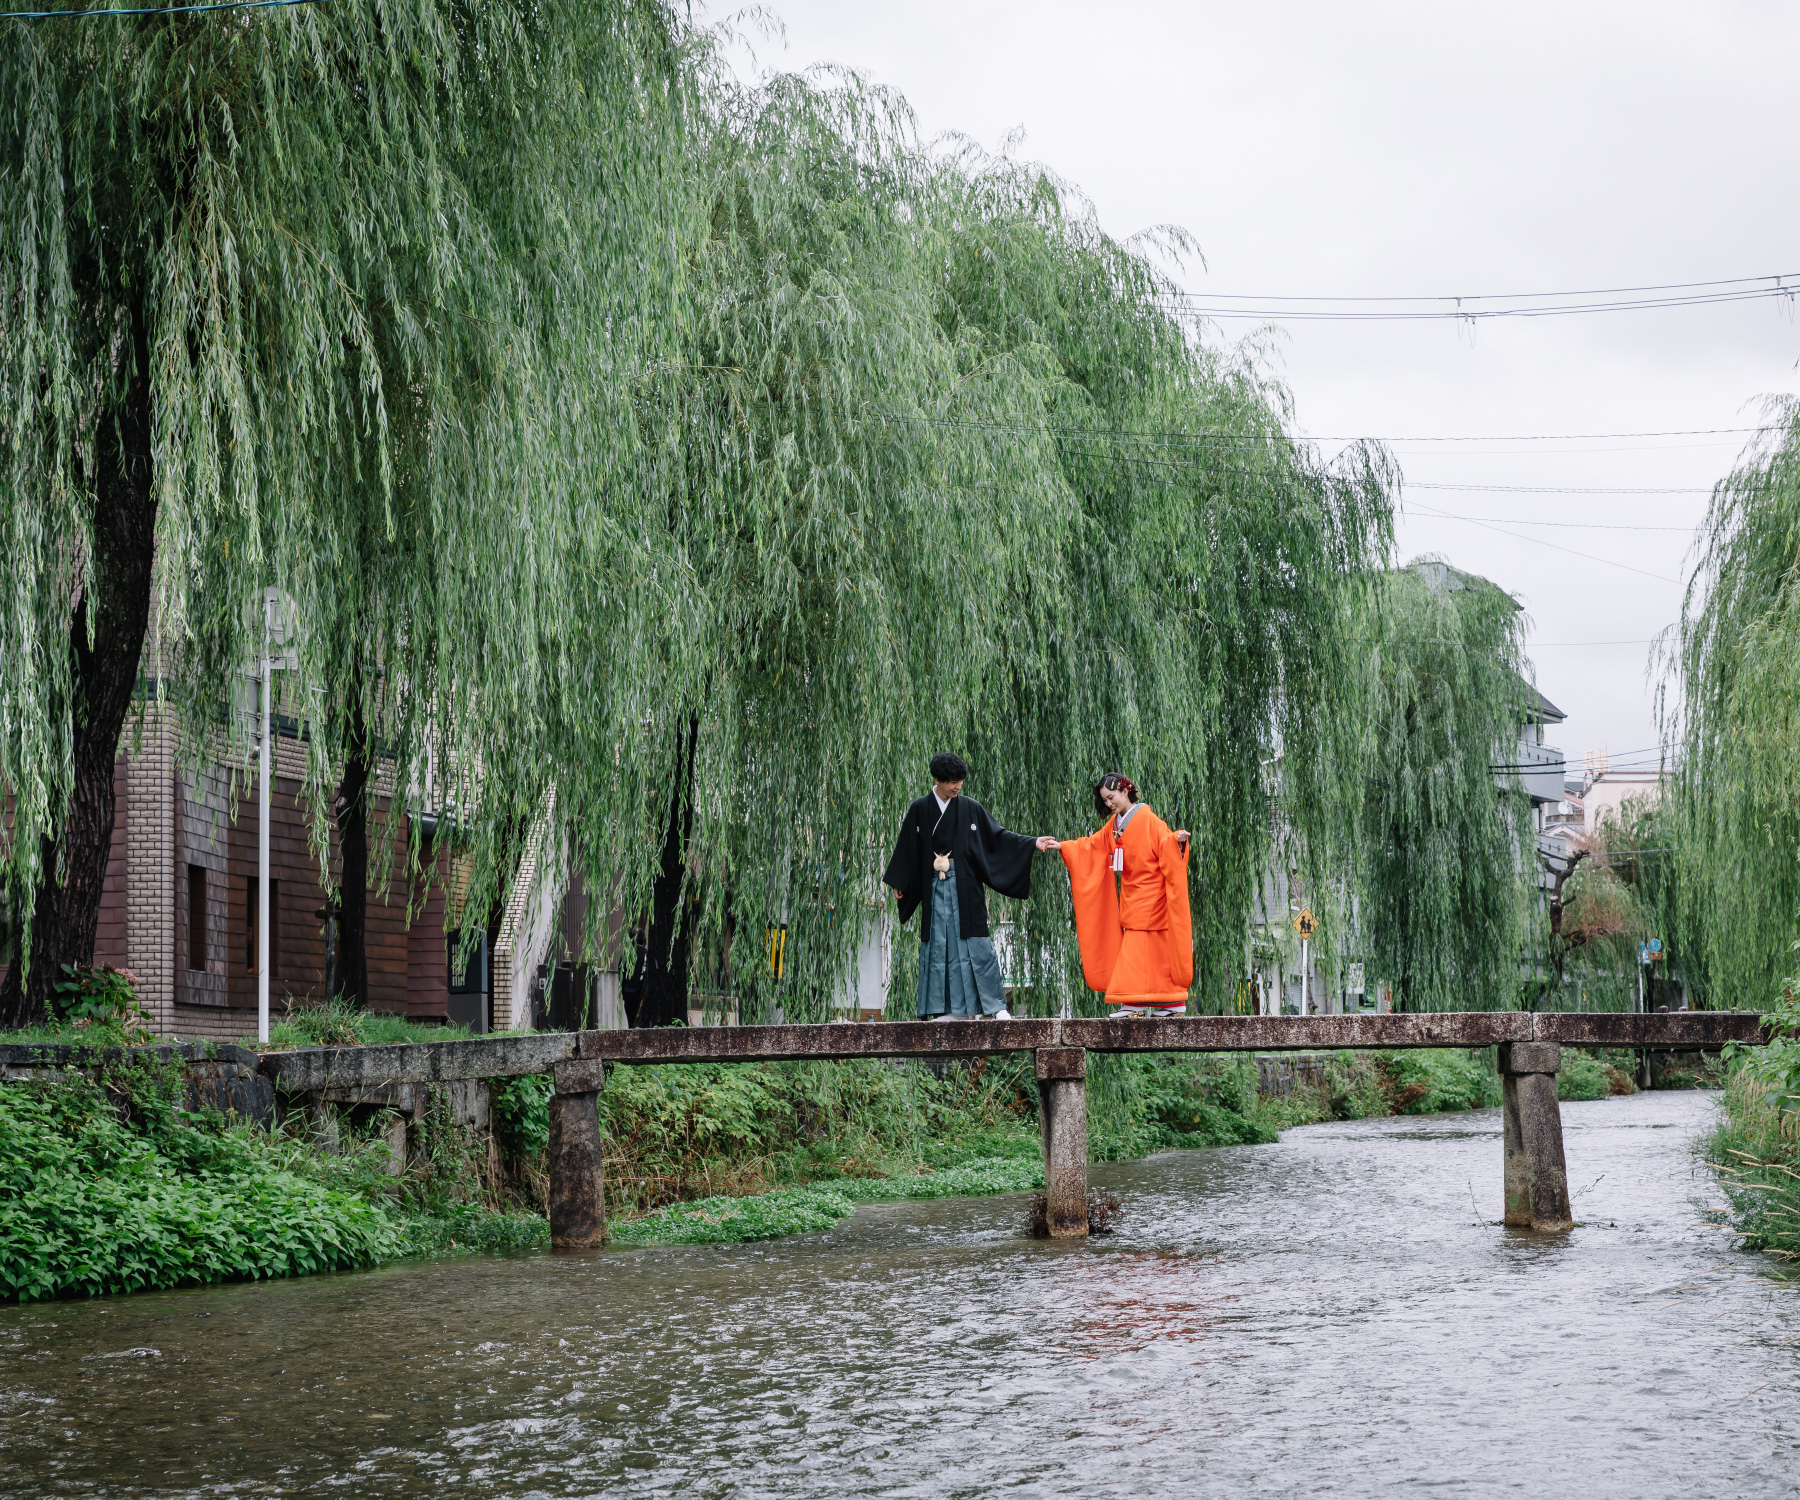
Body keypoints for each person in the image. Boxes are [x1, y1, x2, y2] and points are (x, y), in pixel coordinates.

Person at [883, 752, 1056, 1021]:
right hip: (934, 888)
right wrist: (900, 880)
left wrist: (1031, 842)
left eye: (960, 781)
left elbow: (996, 837)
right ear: (937, 779)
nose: (958, 786)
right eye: (953, 781)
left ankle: (996, 1006)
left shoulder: (969, 807)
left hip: (966, 886)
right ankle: (946, 1009)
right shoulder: (920, 808)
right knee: (940, 947)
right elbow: (908, 846)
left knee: (977, 945)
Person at [1040, 773, 1193, 1017]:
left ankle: (1135, 1004)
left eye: (1111, 797)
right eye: (1105, 800)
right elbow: (1092, 846)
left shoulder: (1149, 820)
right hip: (1132, 893)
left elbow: (1166, 844)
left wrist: (1178, 841)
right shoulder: (1114, 825)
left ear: (1125, 791)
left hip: (1152, 895)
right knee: (1153, 955)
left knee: (1137, 952)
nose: (1109, 803)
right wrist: (1065, 846)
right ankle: (1171, 1003)